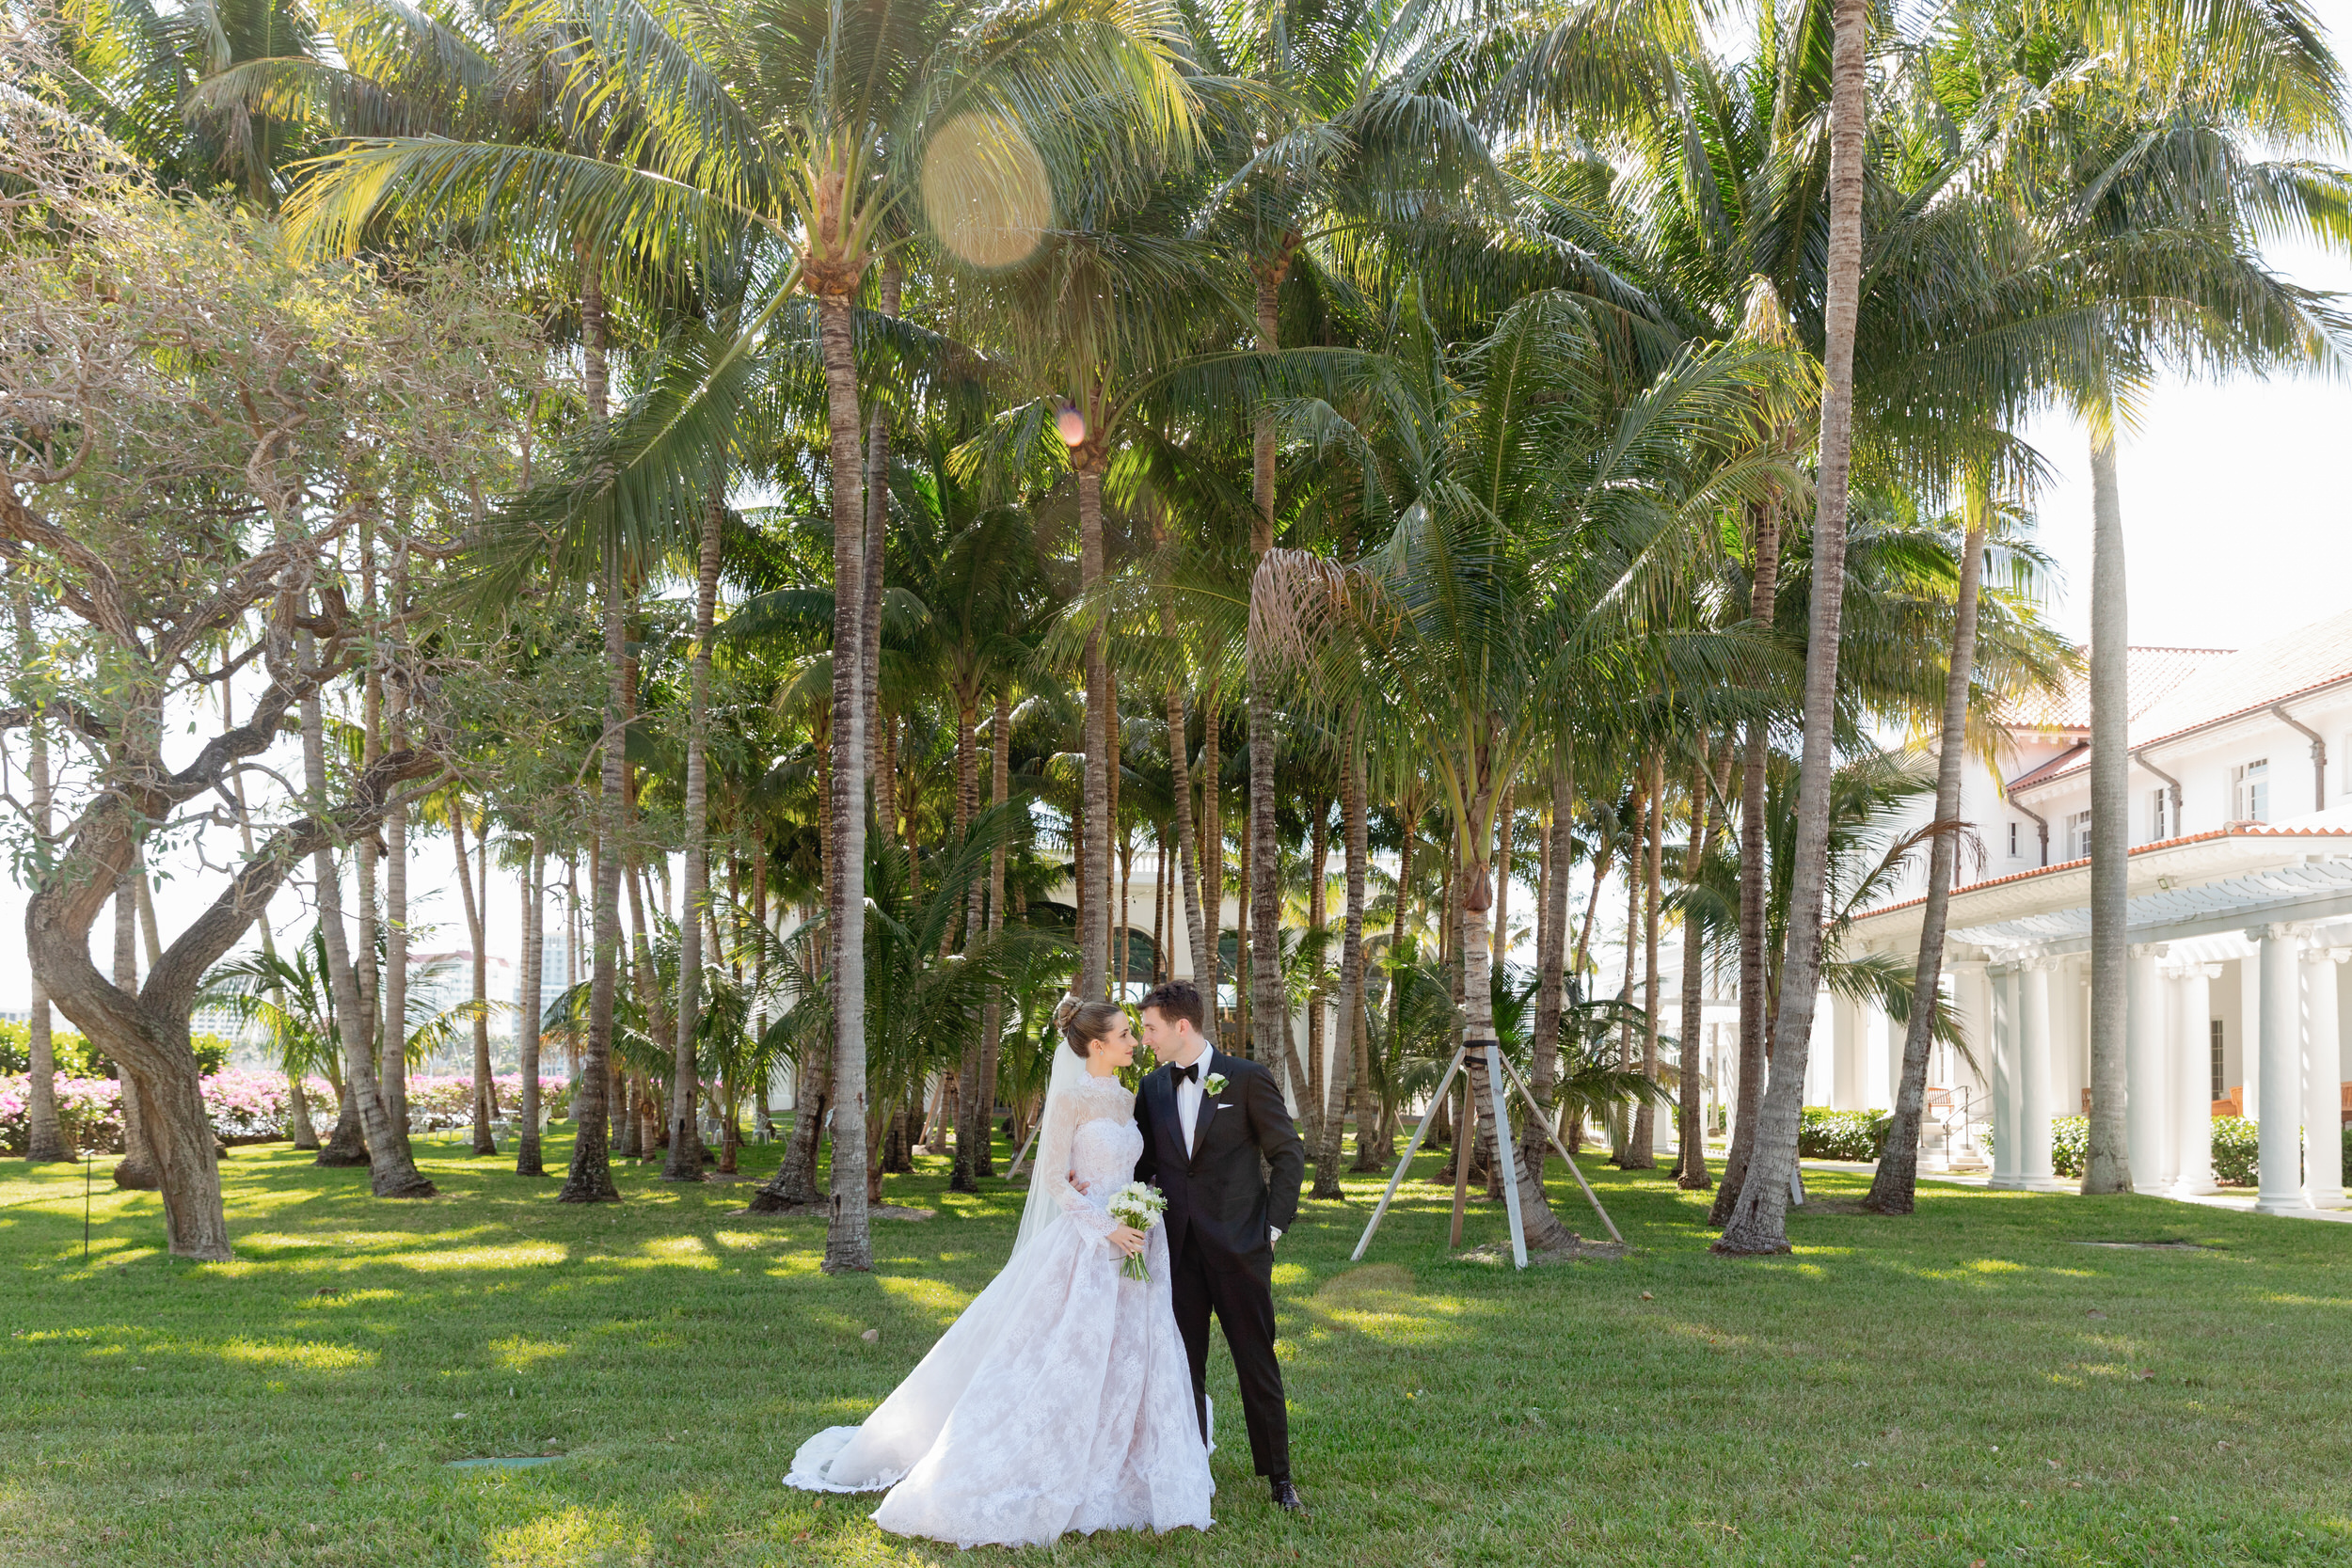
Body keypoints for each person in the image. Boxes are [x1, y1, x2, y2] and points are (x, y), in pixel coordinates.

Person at [783, 998, 1214, 1548]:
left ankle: (1121, 1454)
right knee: (1063, 1352)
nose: (1136, 1043)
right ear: (1098, 1045)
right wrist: (1103, 1224)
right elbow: (1055, 1178)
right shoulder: (1072, 1098)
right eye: (1127, 1035)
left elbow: (1123, 1164)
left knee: (1128, 1353)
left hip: (1135, 1243)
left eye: (1136, 1033)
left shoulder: (1127, 1097)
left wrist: (1139, 1208)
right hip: (1090, 1243)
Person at [1133, 979, 1310, 1516]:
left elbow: (1289, 1156)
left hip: (1241, 1250)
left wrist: (1270, 1230)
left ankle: (1280, 1479)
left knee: (1256, 1364)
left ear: (1181, 1026)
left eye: (1151, 1028)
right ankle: (1193, 1469)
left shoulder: (1249, 1078)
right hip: (1179, 1253)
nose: (1146, 1040)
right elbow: (1143, 1169)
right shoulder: (1152, 1088)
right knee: (1185, 1366)